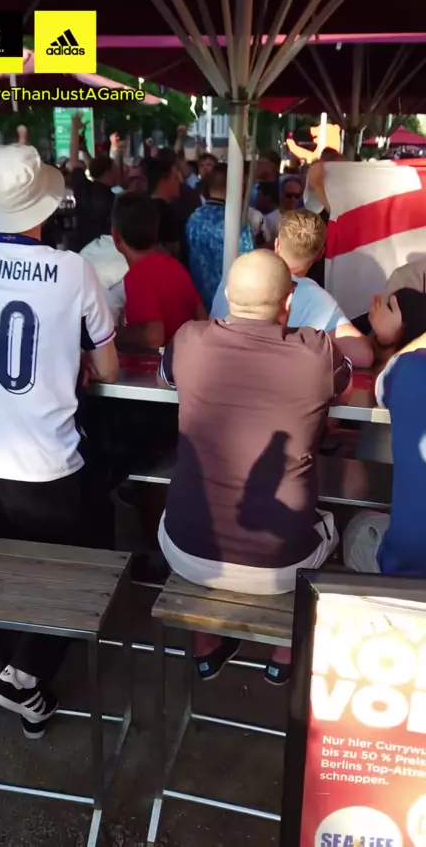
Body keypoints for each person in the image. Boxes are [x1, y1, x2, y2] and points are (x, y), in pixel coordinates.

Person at [0, 143, 118, 737]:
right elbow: (110, 367)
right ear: (45, 208)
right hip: (45, 458)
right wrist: (74, 360)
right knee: (85, 564)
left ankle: (25, 686)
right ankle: (23, 677)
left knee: (2, 572)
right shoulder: (73, 270)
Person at [158, 249, 352, 683]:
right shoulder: (317, 352)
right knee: (337, 522)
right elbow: (343, 387)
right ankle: (284, 652)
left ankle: (206, 647)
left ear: (228, 295)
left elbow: (164, 377)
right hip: (281, 565)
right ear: (289, 303)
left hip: (185, 550)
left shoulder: (189, 339)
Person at [211, 210, 374, 369]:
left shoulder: (237, 274)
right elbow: (363, 355)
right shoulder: (317, 300)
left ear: (277, 244)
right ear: (320, 254)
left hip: (220, 369)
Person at [343, 313, 426, 577]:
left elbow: (382, 384)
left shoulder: (409, 369)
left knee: (357, 525)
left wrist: (392, 343)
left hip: (407, 570)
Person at [112, 192, 205, 351]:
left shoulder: (137, 276)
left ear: (115, 237)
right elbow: (202, 318)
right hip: (187, 357)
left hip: (160, 363)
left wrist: (109, 334)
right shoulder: (175, 266)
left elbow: (153, 337)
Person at [185, 163, 255, 312]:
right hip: (228, 304)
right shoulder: (236, 223)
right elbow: (249, 262)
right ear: (239, 186)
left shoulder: (194, 217)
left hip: (197, 303)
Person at [68, 114, 116, 251]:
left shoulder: (85, 188)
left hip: (80, 248)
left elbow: (73, 160)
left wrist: (74, 128)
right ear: (108, 172)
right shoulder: (113, 199)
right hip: (103, 252)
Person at [141, 157, 183, 259]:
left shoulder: (142, 207)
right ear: (163, 180)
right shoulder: (167, 214)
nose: (180, 181)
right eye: (175, 178)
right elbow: (172, 252)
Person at [261, 176, 305, 246]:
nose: (293, 199)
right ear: (281, 195)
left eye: (297, 196)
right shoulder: (269, 219)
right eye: (289, 195)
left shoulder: (305, 219)